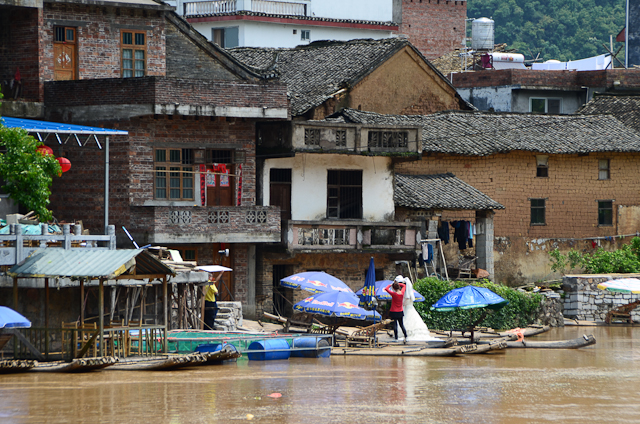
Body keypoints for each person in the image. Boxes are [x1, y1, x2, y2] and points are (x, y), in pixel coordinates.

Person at [402, 277, 438, 342]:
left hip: (407, 308)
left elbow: (405, 300)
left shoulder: (406, 293)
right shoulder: (410, 293)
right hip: (411, 308)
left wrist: (402, 304)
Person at [385, 275, 408, 343]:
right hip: (400, 311)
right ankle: (406, 336)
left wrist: (391, 284)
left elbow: (386, 289)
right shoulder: (402, 293)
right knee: (401, 325)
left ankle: (396, 338)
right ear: (399, 287)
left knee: (395, 324)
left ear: (394, 288)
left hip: (393, 311)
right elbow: (404, 286)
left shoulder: (393, 294)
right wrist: (398, 284)